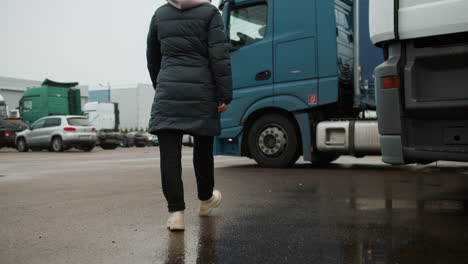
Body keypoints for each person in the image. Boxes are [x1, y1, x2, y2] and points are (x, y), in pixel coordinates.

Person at [146, 0, 232, 231]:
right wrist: (224, 94)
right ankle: (205, 200)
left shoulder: (160, 14)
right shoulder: (210, 13)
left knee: (169, 156)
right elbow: (219, 56)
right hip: (202, 91)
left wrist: (162, 84)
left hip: (168, 89)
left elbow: (152, 56)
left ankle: (175, 214)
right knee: (203, 149)